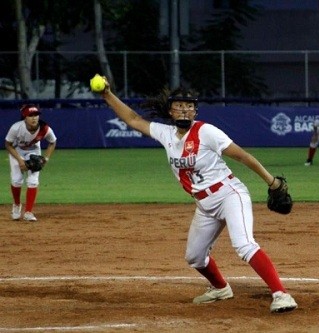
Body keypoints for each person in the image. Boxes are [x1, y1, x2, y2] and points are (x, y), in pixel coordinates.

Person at [98, 80, 298, 313]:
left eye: (189, 106)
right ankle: (221, 288)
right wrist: (107, 95)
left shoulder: (207, 132)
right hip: (204, 205)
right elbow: (133, 119)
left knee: (244, 244)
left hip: (228, 194)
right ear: (170, 111)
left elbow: (242, 156)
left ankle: (281, 294)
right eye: (179, 106)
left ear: (195, 110)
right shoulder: (166, 134)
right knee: (194, 257)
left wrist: (271, 182)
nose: (184, 109)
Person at [5, 104, 57, 221]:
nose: (34, 118)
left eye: (36, 115)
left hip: (34, 152)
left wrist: (45, 158)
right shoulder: (16, 128)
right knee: (16, 180)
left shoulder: (45, 128)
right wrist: (20, 160)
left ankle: (28, 212)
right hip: (16, 152)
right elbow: (7, 144)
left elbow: (53, 142)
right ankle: (17, 205)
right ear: (25, 117)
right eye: (30, 115)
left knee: (33, 182)